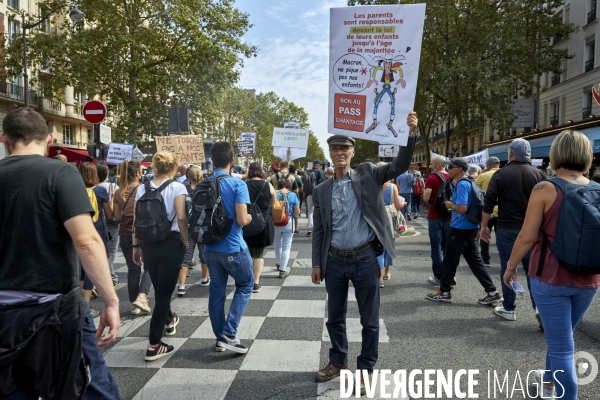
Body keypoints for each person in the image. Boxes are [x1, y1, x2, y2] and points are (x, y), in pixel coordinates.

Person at [0, 107, 120, 399]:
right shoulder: (61, 172)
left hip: (4, 317)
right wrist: (111, 300)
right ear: (50, 138)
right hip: (56, 311)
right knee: (91, 389)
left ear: (5, 139)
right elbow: (87, 241)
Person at [312, 112, 417, 395]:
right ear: (330, 154)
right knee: (334, 317)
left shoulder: (369, 172)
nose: (339, 153)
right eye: (334, 148)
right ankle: (338, 362)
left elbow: (401, 164)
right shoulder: (321, 189)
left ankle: (365, 370)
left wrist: (409, 134)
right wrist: (316, 264)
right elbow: (320, 230)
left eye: (344, 148)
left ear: (352, 152)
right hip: (334, 260)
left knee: (369, 320)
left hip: (364, 258)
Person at [503, 130, 600, 400]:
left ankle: (567, 396)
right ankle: (548, 380)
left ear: (556, 154)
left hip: (550, 277)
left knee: (562, 348)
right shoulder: (597, 189)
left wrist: (511, 266)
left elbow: (526, 236)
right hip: (589, 280)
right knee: (562, 336)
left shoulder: (546, 188)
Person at [481, 139, 546, 323]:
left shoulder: (501, 174)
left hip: (507, 227)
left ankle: (509, 308)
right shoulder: (540, 175)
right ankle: (539, 308)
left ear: (510, 154)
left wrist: (484, 226)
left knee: (508, 266)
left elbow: (489, 202)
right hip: (533, 229)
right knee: (533, 270)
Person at [132, 151, 188, 361]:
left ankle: (170, 320)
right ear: (174, 168)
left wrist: (136, 247)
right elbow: (181, 217)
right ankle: (154, 344)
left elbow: (137, 220)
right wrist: (185, 238)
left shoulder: (141, 188)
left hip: (148, 243)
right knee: (163, 295)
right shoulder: (177, 187)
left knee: (159, 288)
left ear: (155, 167)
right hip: (170, 242)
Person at [426, 158, 500, 305]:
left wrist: (450, 204)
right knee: (476, 263)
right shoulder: (471, 182)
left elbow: (462, 208)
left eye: (451, 167)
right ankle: (492, 292)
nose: (448, 170)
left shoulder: (461, 184)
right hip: (471, 228)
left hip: (460, 228)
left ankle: (445, 292)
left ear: (459, 169)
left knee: (449, 260)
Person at [204, 142, 254, 354]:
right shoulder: (237, 185)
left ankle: (220, 338)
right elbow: (242, 220)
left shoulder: (203, 183)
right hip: (233, 247)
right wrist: (250, 217)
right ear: (232, 160)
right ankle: (229, 333)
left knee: (216, 292)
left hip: (209, 247)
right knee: (245, 284)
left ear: (212, 160)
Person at [113, 160, 152, 316]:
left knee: (133, 270)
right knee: (149, 267)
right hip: (142, 233)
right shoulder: (143, 189)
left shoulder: (118, 192)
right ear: (137, 173)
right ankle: (142, 297)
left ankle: (133, 304)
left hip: (124, 234)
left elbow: (116, 217)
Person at [78, 162, 113, 314]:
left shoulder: (75, 190)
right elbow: (111, 215)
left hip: (79, 231)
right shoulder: (100, 191)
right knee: (92, 267)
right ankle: (84, 306)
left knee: (81, 268)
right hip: (96, 232)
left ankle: (80, 301)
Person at [179, 165, 210, 296]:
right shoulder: (205, 190)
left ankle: (181, 285)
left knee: (186, 256)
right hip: (202, 227)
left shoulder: (183, 190)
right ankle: (204, 278)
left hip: (188, 228)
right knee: (204, 254)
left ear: (188, 176)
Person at [244, 162, 275, 293]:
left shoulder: (244, 185)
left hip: (248, 220)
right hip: (263, 221)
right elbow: (273, 201)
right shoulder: (267, 184)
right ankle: (256, 283)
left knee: (249, 252)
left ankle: (248, 280)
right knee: (259, 253)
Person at [422, 155, 452, 285]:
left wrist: (424, 193)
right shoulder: (452, 177)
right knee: (447, 248)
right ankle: (449, 275)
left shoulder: (432, 178)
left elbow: (426, 197)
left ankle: (438, 277)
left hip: (435, 215)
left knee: (436, 248)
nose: (429, 166)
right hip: (450, 215)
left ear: (438, 165)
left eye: (431, 164)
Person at [379, 178, 406, 287]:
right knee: (388, 244)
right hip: (388, 219)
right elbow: (397, 206)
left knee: (376, 246)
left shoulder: (372, 185)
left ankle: (378, 275)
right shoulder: (392, 186)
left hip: (375, 218)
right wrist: (404, 203)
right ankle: (387, 271)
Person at [475, 156, 501, 268]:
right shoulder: (505, 174)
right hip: (501, 210)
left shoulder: (484, 176)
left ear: (488, 165)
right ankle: (505, 259)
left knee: (485, 234)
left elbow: (473, 187)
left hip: (487, 210)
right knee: (501, 236)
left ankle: (485, 260)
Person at [97, 162, 120, 286]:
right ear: (107, 174)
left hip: (98, 222)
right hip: (111, 222)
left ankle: (112, 277)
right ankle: (100, 276)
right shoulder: (112, 186)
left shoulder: (92, 188)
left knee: (102, 251)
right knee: (111, 252)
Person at [274, 178, 301, 278]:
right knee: (286, 247)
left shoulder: (274, 193)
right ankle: (282, 270)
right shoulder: (292, 195)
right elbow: (297, 211)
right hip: (288, 222)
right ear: (289, 186)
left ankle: (278, 263)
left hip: (276, 222)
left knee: (277, 245)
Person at [304, 160, 325, 236]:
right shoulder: (320, 172)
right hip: (317, 193)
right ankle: (317, 227)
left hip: (309, 193)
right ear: (318, 165)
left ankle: (310, 227)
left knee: (310, 211)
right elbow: (322, 183)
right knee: (318, 210)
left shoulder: (308, 172)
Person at [289, 165, 303, 233]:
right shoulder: (297, 178)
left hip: (285, 197)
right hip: (296, 197)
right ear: (295, 171)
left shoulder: (287, 177)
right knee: (296, 214)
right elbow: (301, 189)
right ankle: (295, 228)